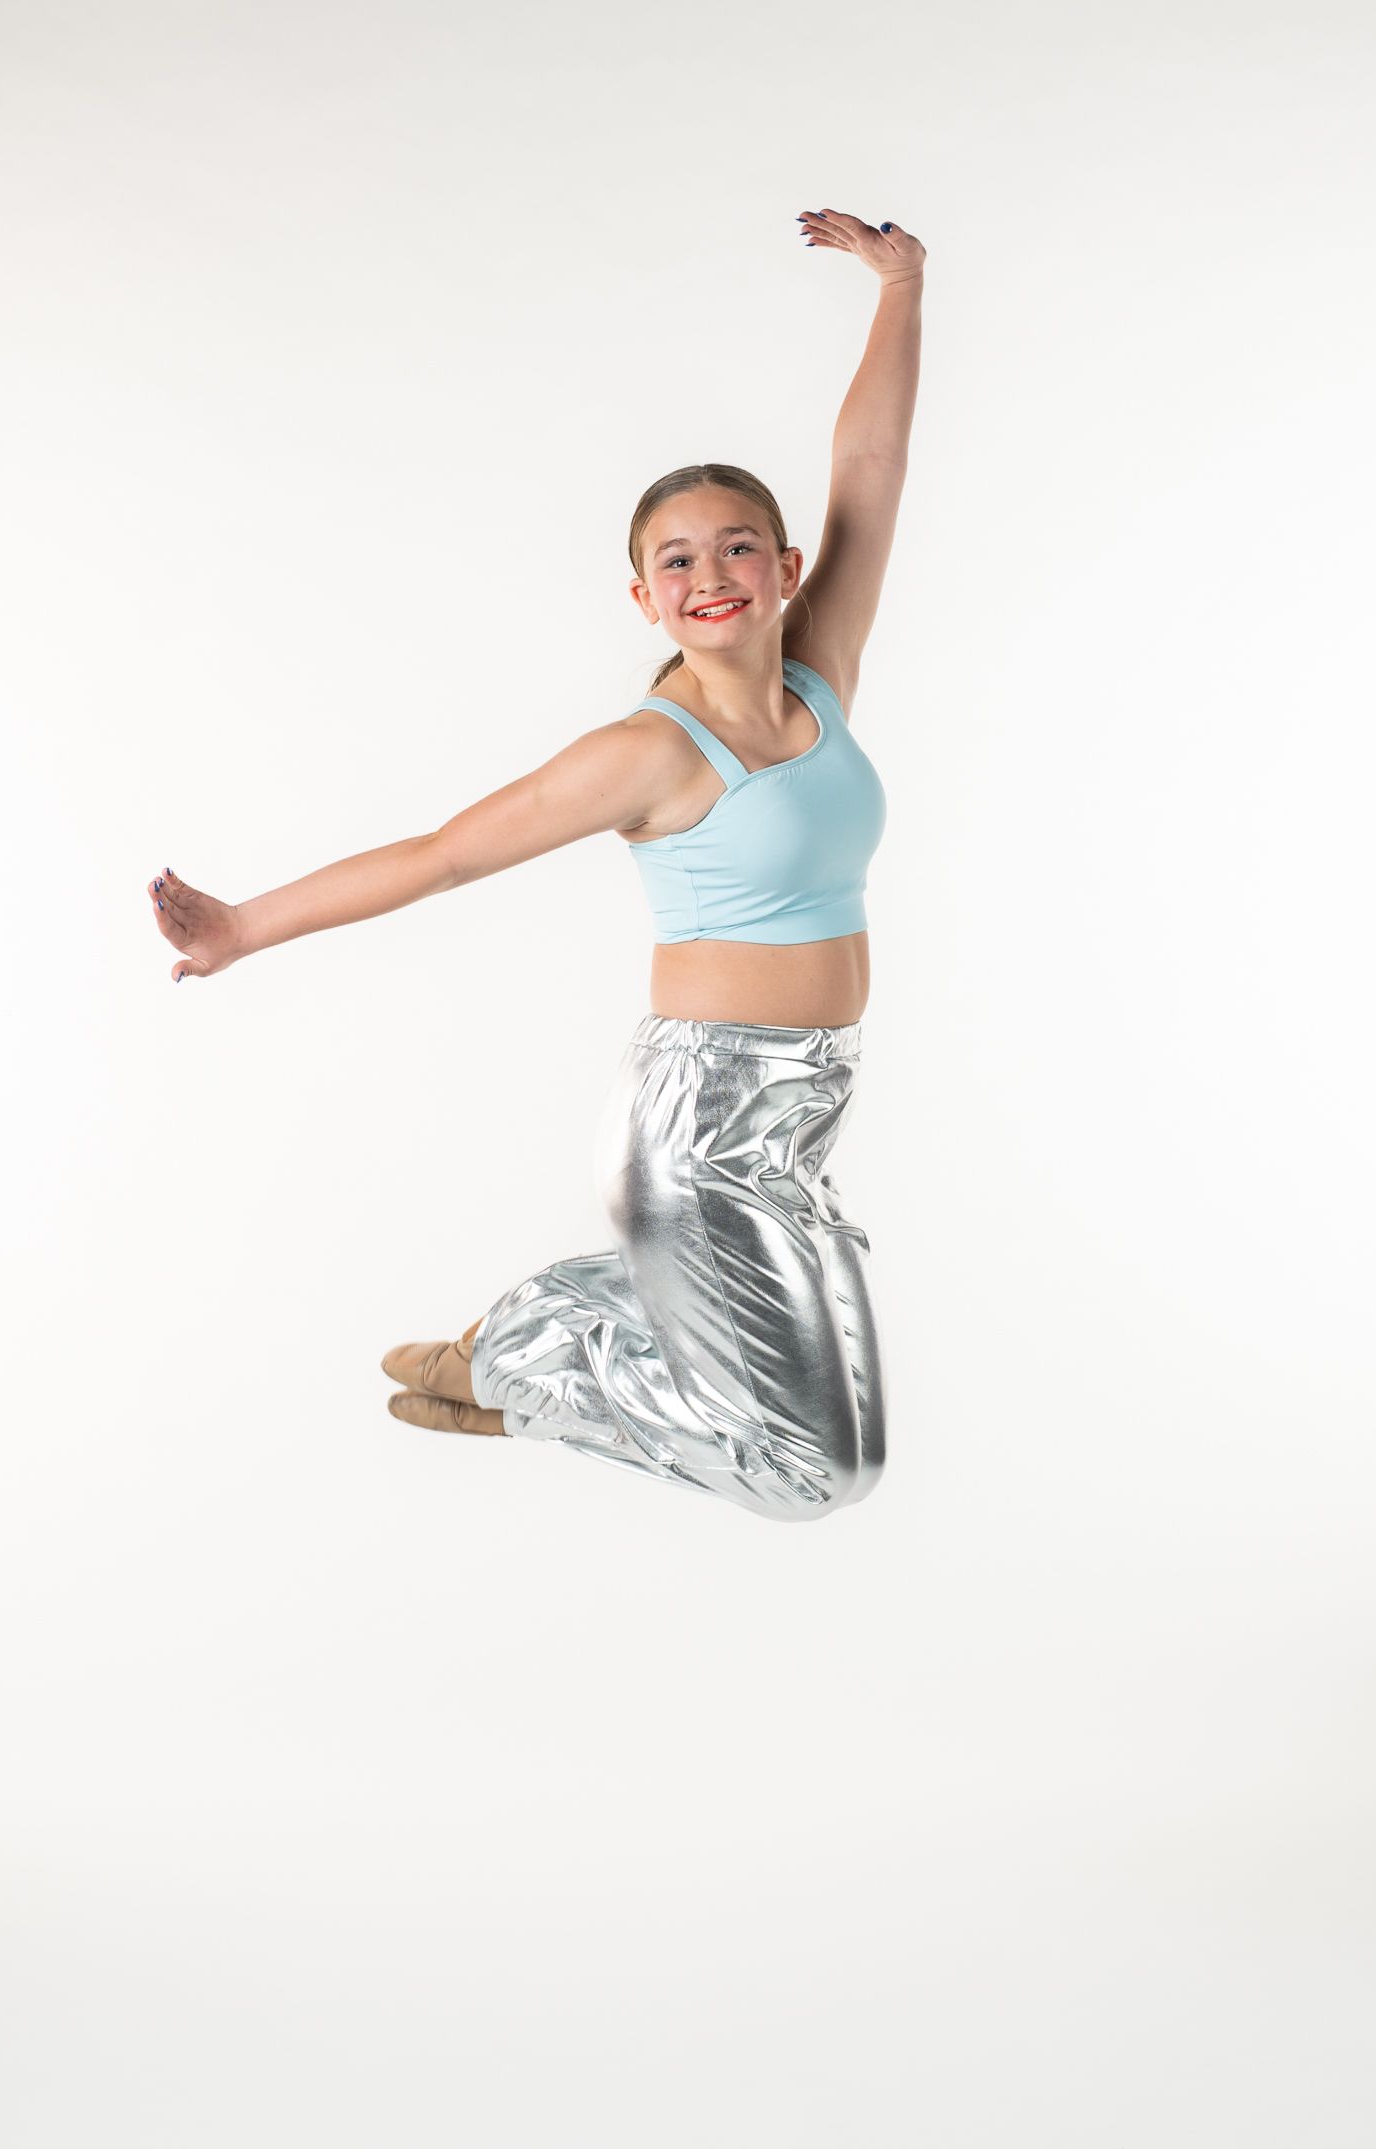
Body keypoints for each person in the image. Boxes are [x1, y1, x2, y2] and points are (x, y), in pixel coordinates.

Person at [147, 206, 925, 1522]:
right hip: (705, 1126)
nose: (711, 572)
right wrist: (238, 929)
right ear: (645, 599)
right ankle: (534, 1353)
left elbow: (871, 459)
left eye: (739, 545)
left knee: (833, 1449)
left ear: (786, 569)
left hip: (804, 1117)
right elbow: (444, 855)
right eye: (675, 559)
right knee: (817, 1475)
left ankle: (552, 1333)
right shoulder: (647, 754)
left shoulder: (820, 675)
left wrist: (900, 283)